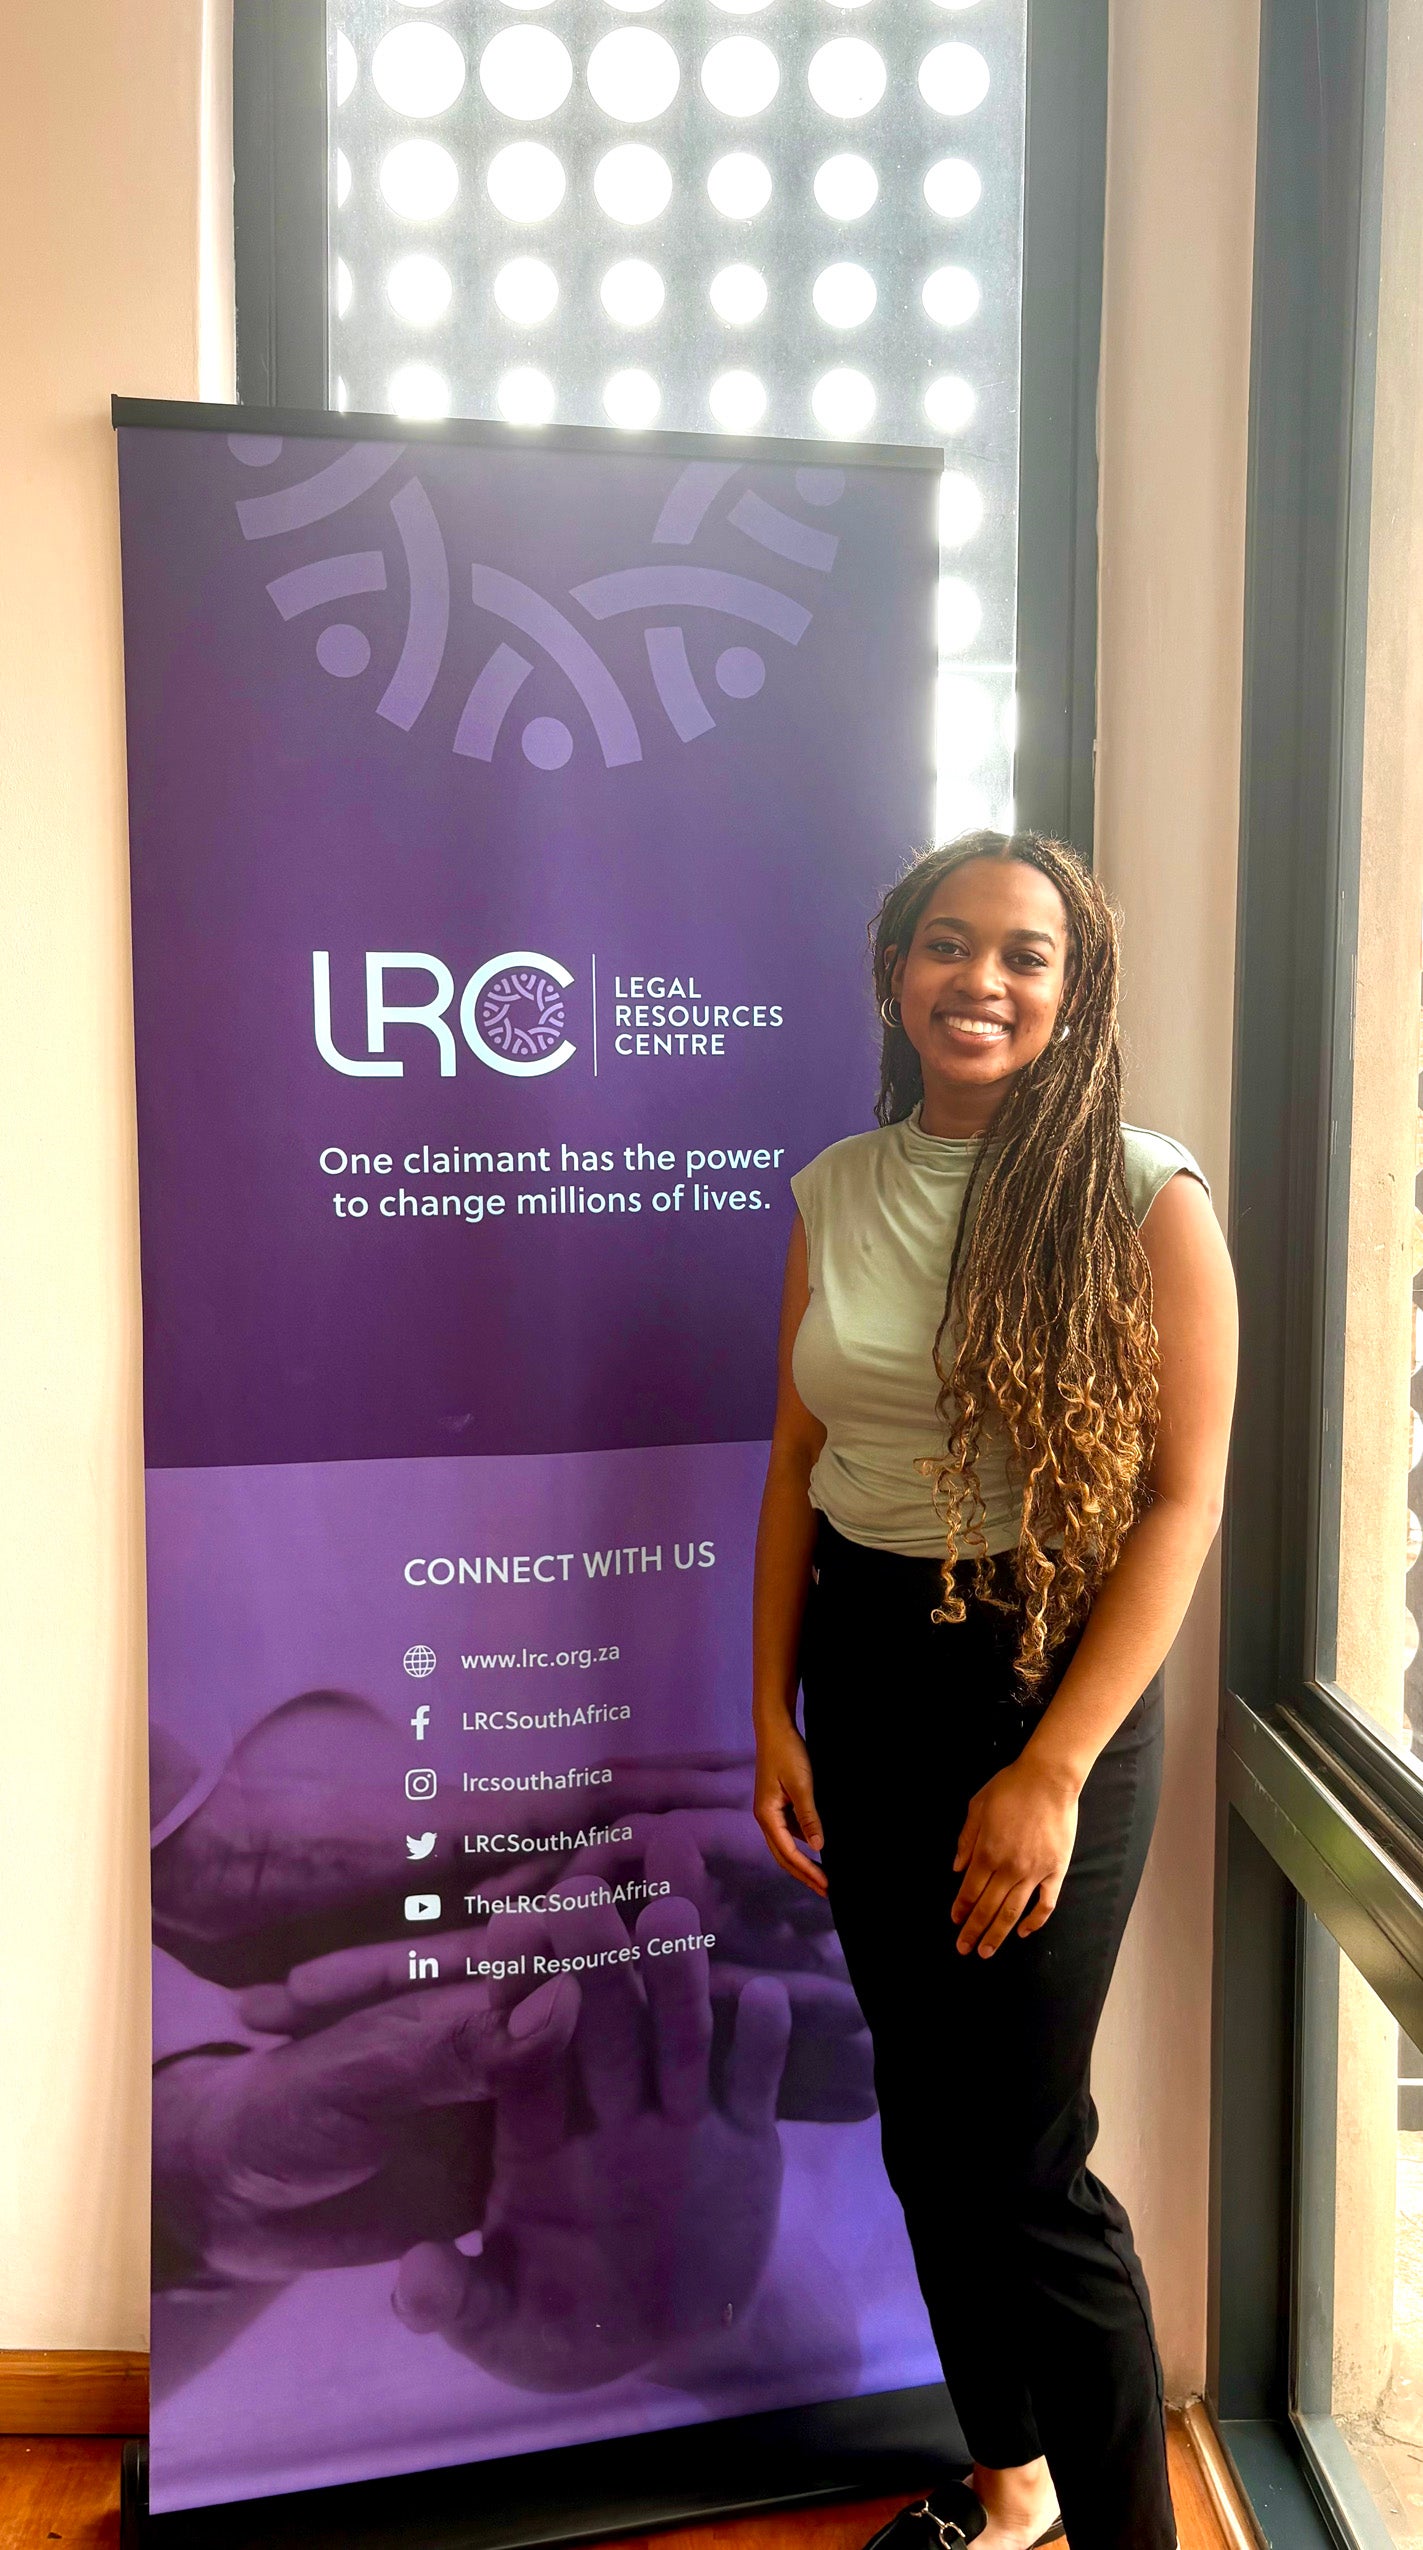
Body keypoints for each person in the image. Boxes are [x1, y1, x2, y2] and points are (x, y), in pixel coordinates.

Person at [751, 832, 1238, 2550]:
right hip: (869, 1675)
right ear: (899, 972)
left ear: (1075, 984)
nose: (984, 978)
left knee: (1023, 2158)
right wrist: (770, 1713)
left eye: (1025, 952)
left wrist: (1052, 1768)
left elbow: (1181, 1501)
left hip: (1055, 1678)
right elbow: (801, 1456)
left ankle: (1125, 2531)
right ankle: (1011, 2475)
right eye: (948, 945)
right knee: (922, 2121)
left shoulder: (1141, 1193)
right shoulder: (833, 1187)